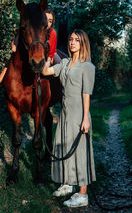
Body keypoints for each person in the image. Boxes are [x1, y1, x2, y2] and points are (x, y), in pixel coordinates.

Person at [42, 29, 96, 208]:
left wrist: (86, 119)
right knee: (63, 146)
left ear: (83, 43)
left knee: (80, 151)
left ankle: (82, 194)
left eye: (77, 40)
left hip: (80, 113)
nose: (72, 43)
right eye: (71, 39)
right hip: (64, 113)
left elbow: (86, 93)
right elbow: (46, 71)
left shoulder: (87, 66)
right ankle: (67, 183)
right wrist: (49, 53)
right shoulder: (64, 63)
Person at [0, 8, 60, 83]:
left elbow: (51, 53)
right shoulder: (35, 30)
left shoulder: (52, 33)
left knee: (61, 67)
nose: (47, 22)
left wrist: (48, 62)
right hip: (35, 55)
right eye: (45, 19)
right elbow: (20, 32)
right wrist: (15, 44)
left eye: (50, 21)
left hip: (50, 55)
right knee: (1, 79)